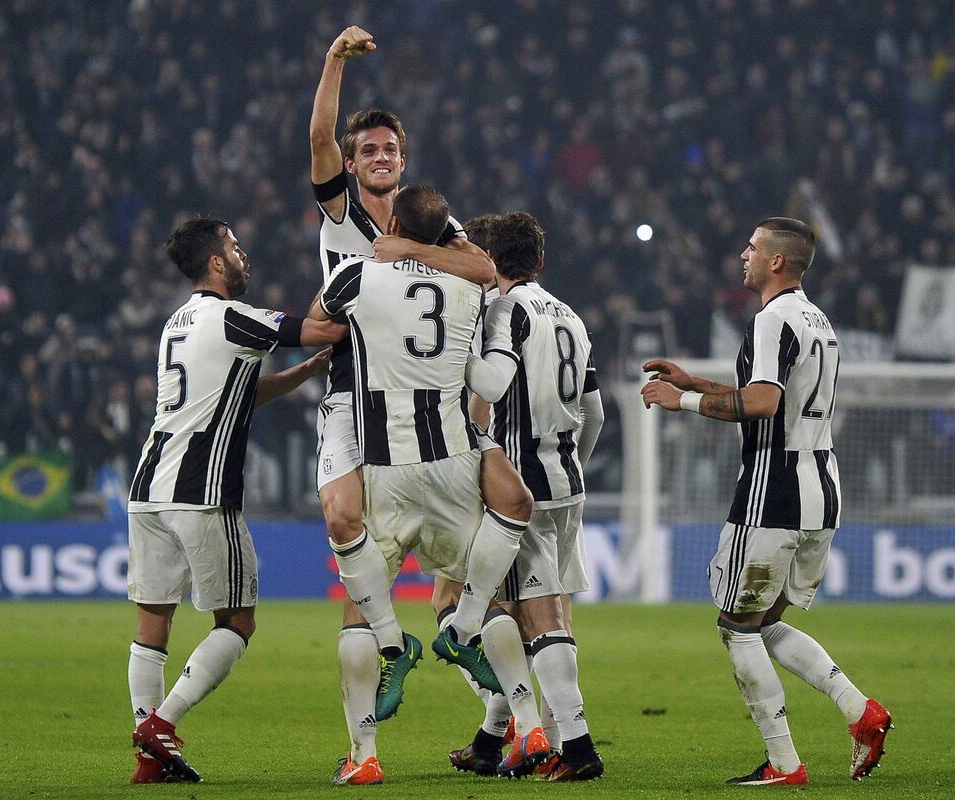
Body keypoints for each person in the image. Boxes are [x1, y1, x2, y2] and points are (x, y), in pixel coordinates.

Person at [308, 26, 533, 782]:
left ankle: (514, 721)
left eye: (390, 150)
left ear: (403, 162)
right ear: (352, 162)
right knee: (343, 520)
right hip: (353, 394)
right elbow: (318, 138)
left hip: (423, 405)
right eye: (367, 149)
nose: (379, 157)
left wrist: (406, 250)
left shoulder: (428, 221)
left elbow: (482, 267)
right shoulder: (339, 214)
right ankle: (371, 734)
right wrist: (334, 62)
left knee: (467, 566)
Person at [641, 217, 893, 786]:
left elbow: (761, 404)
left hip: (772, 493)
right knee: (765, 621)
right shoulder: (817, 320)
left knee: (737, 625)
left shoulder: (771, 319)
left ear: (777, 261)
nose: (743, 254)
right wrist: (697, 382)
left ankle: (784, 763)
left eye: (752, 247)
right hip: (820, 491)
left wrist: (680, 401)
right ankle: (862, 713)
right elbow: (775, 397)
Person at [125, 218, 342, 784]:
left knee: (152, 624)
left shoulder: (176, 323)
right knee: (239, 621)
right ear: (216, 263)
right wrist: (353, 283)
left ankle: (150, 757)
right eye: (235, 247)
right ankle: (161, 725)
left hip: (148, 490)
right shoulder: (233, 316)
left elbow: (237, 393)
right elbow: (324, 328)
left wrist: (303, 372)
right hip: (202, 491)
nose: (245, 254)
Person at [450, 212, 606, 781]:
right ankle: (510, 741)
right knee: (548, 613)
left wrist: (452, 354)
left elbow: (489, 388)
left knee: (528, 616)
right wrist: (569, 463)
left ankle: (576, 749)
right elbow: (595, 413)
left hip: (520, 489)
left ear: (490, 261)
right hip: (566, 482)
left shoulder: (502, 312)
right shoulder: (571, 317)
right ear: (539, 259)